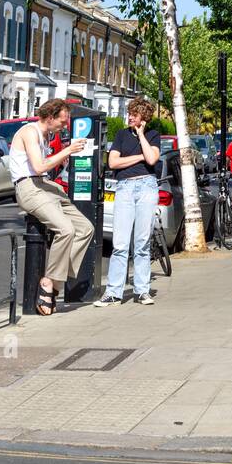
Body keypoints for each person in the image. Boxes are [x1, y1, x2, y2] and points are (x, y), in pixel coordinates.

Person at [10, 98, 94, 317]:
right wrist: (67, 151)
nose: (65, 126)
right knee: (66, 230)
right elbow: (38, 167)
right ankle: (49, 283)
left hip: (45, 184)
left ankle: (55, 280)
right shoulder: (30, 132)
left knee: (85, 229)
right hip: (28, 187)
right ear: (49, 117)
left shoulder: (47, 135)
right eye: (63, 121)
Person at [95, 97, 162, 307]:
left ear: (143, 117)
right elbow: (113, 162)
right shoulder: (121, 135)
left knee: (142, 243)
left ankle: (142, 291)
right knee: (120, 244)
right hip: (124, 187)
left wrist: (142, 135)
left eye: (134, 114)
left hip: (147, 187)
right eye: (130, 113)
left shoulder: (153, 135)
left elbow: (153, 159)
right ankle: (114, 292)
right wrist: (140, 157)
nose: (130, 116)